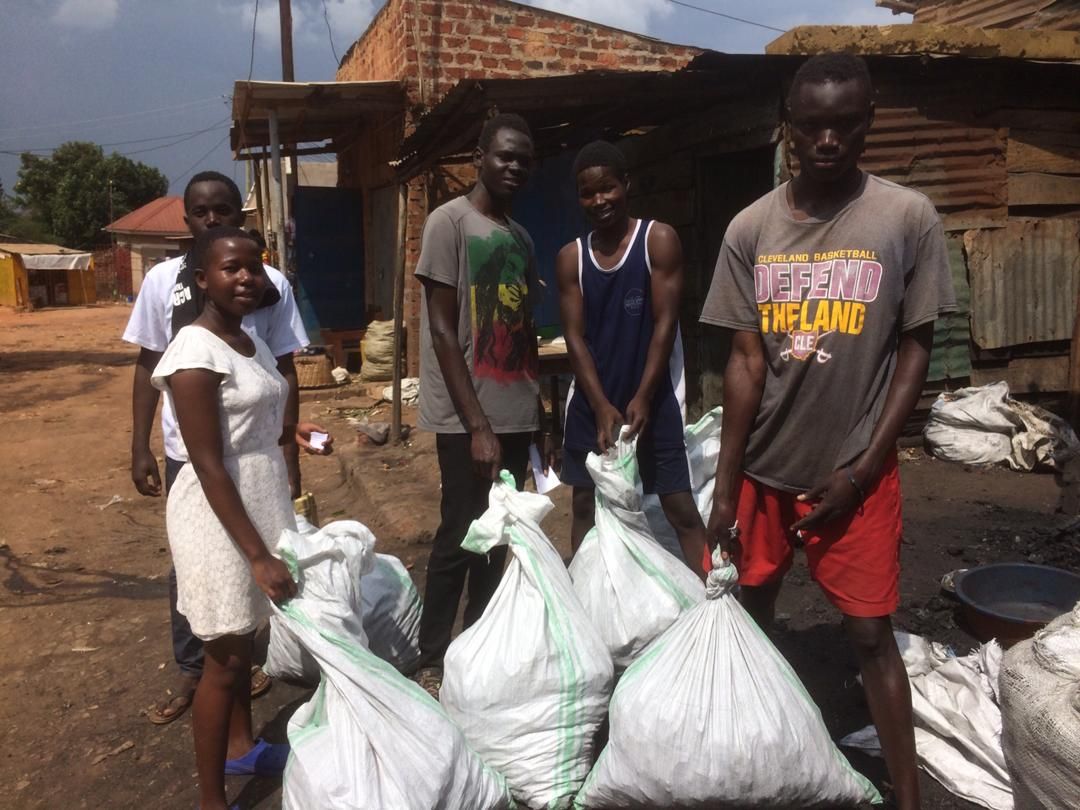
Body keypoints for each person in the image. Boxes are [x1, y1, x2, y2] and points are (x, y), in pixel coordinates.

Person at [700, 54, 956, 810]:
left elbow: (915, 347)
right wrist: (725, 485)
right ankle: (751, 761)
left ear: (868, 122)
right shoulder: (751, 229)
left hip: (856, 474)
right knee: (750, 617)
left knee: (872, 636)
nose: (828, 140)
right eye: (811, 125)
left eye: (845, 124)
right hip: (764, 475)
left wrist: (864, 467)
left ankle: (907, 795)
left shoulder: (907, 218)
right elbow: (745, 363)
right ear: (788, 127)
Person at [123, 171, 330, 725]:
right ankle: (199, 672)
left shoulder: (266, 295)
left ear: (241, 213)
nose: (211, 219)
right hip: (195, 456)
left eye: (222, 209)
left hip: (251, 453)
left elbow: (278, 366)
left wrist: (287, 437)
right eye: (199, 211)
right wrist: (139, 444)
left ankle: (232, 677)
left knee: (245, 590)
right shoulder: (166, 286)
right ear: (186, 219)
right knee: (201, 572)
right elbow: (149, 361)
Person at [152, 226, 299, 809]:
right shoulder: (194, 351)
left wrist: (295, 432)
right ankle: (213, 800)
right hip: (218, 516)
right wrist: (258, 555)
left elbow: (252, 418)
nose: (245, 278)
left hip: (257, 499)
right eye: (230, 269)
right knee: (225, 657)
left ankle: (241, 745)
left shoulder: (247, 340)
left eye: (254, 268)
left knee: (246, 642)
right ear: (201, 279)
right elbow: (209, 462)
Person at [411, 113, 549, 696]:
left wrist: (539, 417)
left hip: (515, 411)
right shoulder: (449, 223)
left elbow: (524, 334)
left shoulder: (521, 237)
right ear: (479, 157)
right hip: (469, 417)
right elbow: (443, 331)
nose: (514, 167)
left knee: (502, 539)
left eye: (524, 160)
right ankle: (434, 653)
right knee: (459, 534)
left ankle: (480, 644)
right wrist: (477, 425)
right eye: (504, 157)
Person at [556, 140, 709, 579]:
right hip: (591, 402)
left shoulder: (657, 240)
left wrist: (643, 395)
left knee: (678, 504)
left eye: (608, 188)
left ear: (626, 184)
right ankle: (587, 601)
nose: (599, 200)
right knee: (585, 503)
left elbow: (665, 324)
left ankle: (720, 602)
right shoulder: (572, 258)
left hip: (654, 399)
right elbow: (574, 337)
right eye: (588, 193)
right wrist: (601, 405)